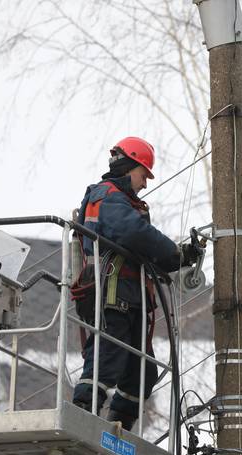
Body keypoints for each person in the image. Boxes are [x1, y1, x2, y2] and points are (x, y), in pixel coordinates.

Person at [71, 136, 201, 431]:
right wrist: (174, 253)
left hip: (131, 298)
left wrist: (176, 258)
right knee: (108, 354)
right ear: (130, 166)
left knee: (142, 372)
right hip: (112, 294)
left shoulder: (123, 203)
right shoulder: (107, 195)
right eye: (144, 175)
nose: (145, 184)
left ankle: (118, 425)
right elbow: (133, 234)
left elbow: (139, 245)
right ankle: (82, 413)